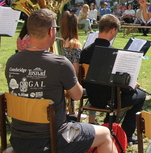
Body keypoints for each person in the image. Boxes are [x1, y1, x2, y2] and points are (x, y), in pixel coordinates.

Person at [5, 9, 116, 153]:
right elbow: (77, 95)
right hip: (54, 138)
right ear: (51, 31)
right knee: (105, 134)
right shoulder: (60, 63)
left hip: (19, 138)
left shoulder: (12, 61)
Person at [79, 14, 146, 144]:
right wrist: (131, 85)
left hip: (92, 97)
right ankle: (126, 133)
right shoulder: (115, 54)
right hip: (111, 100)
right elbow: (122, 85)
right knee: (141, 95)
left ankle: (109, 124)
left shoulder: (85, 51)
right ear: (113, 30)